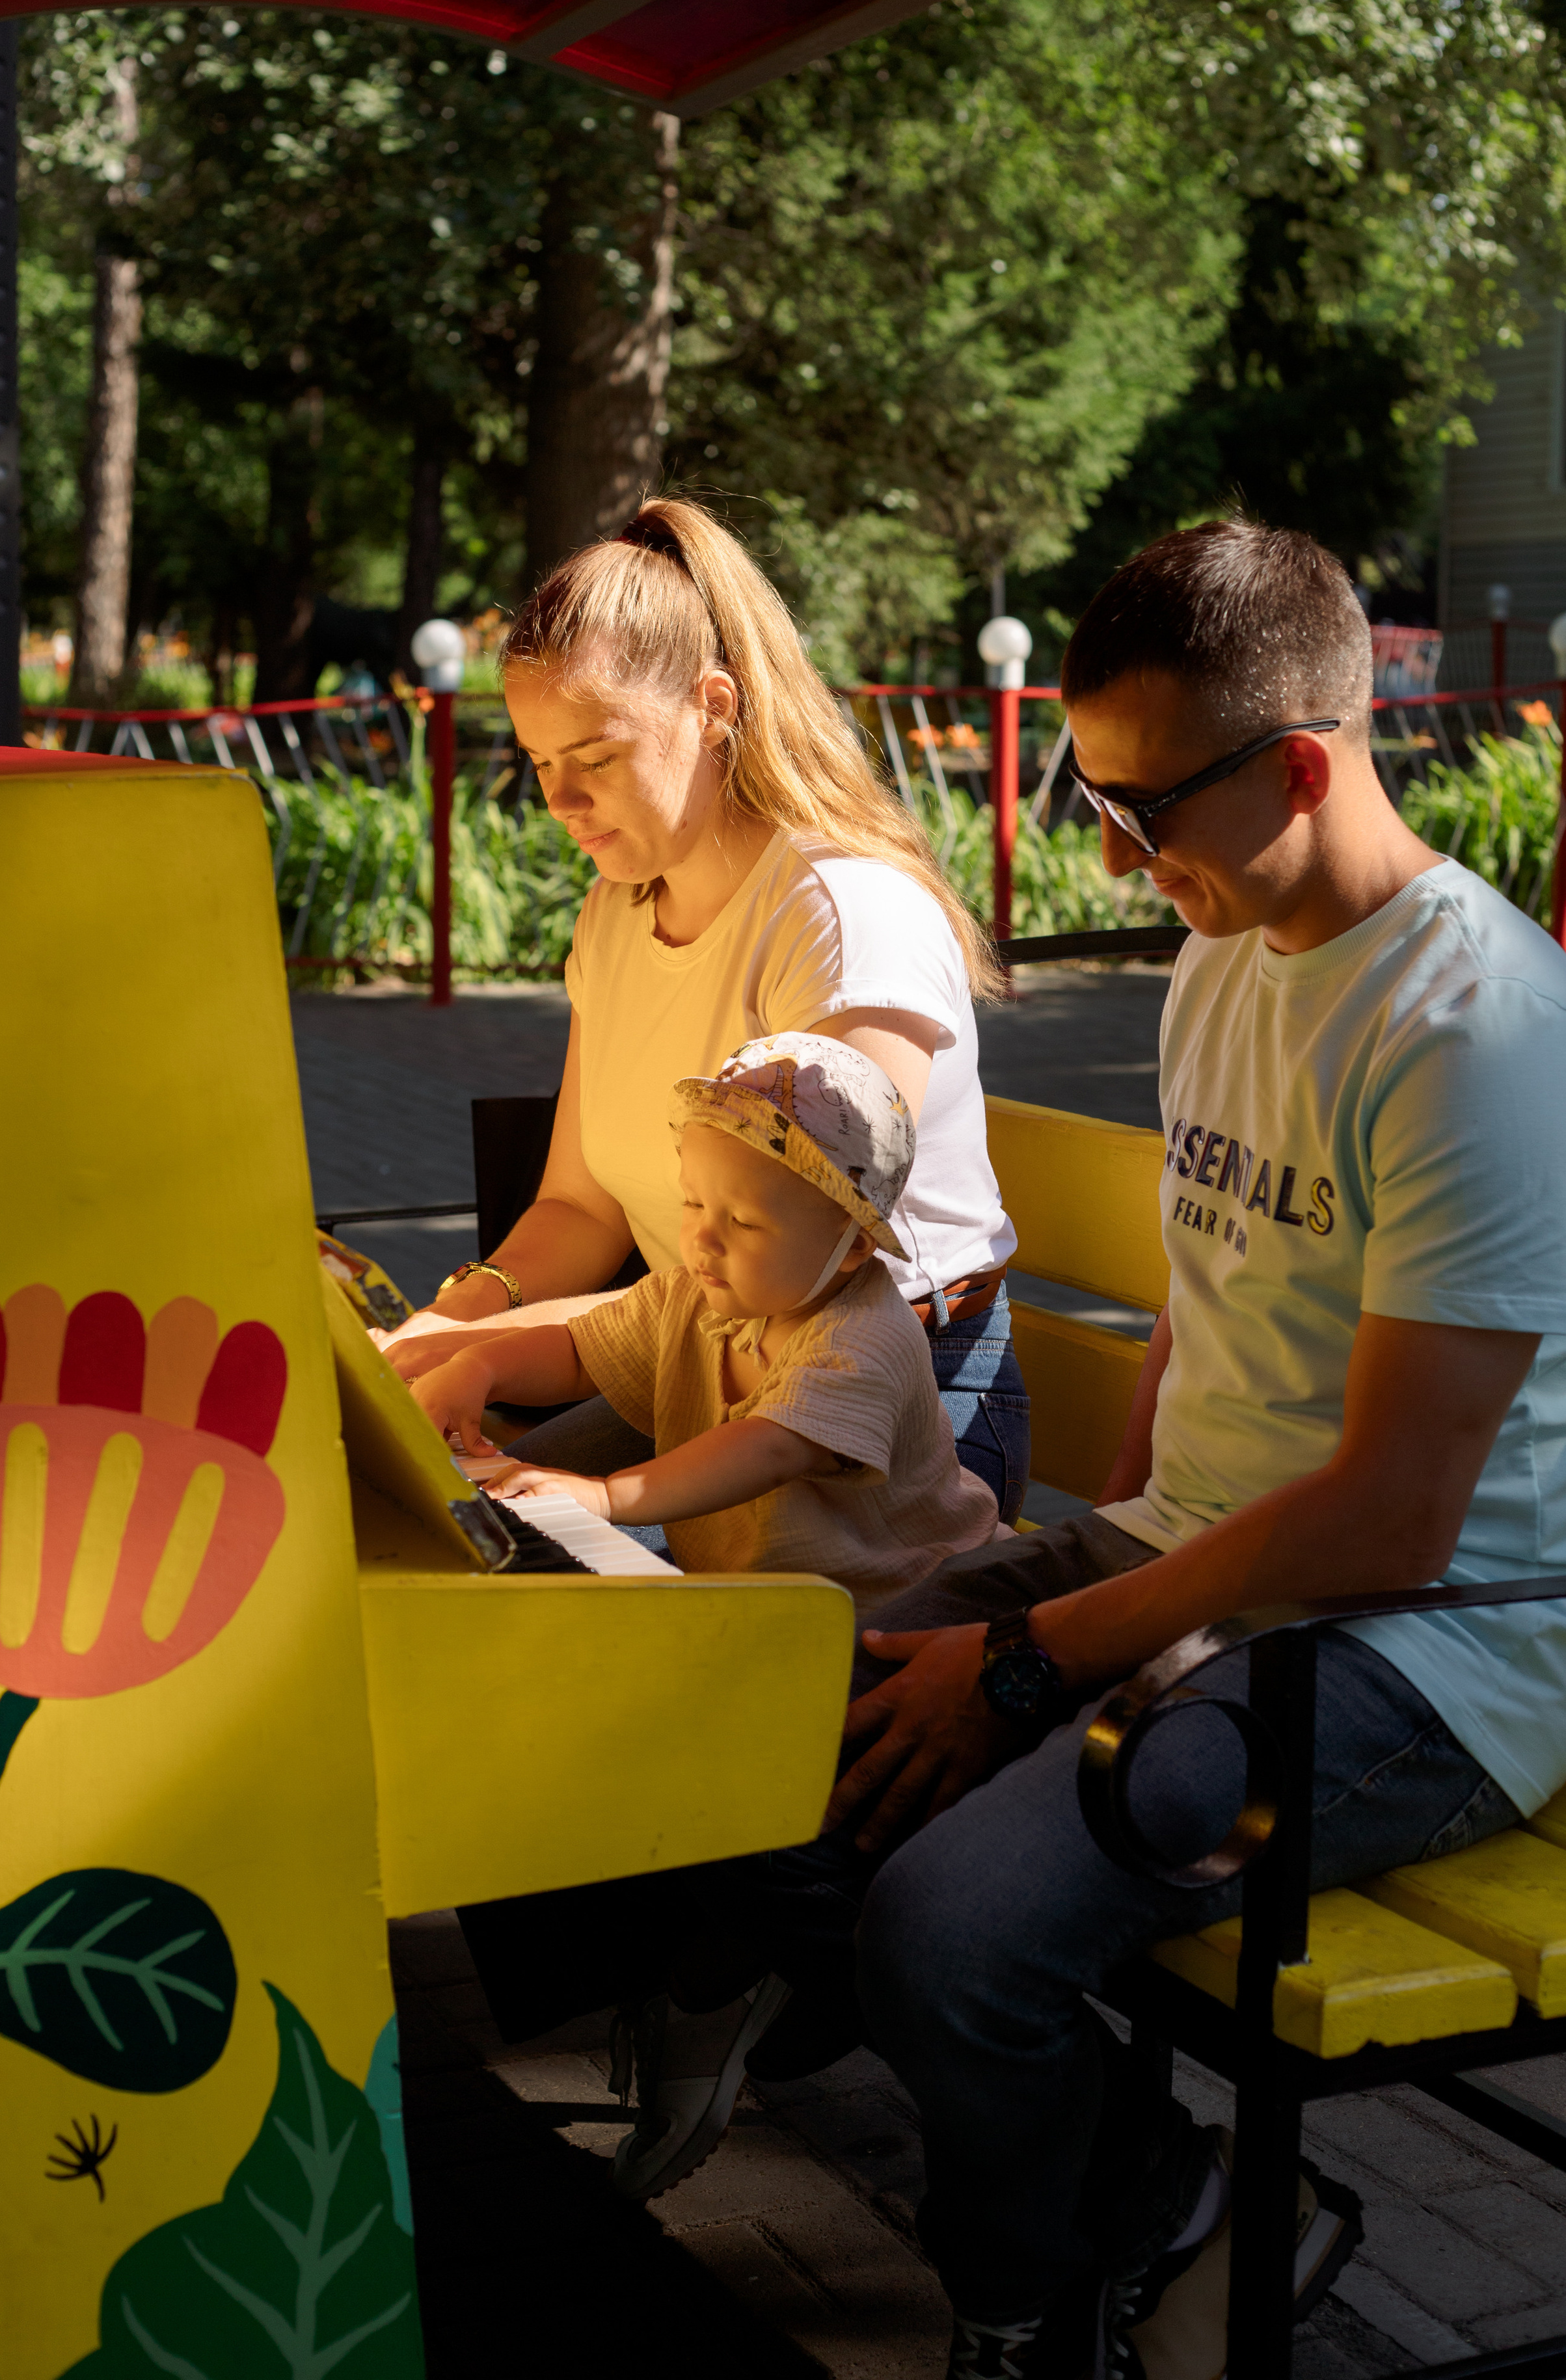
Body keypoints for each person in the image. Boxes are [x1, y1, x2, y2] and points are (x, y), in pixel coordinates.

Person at [457, 521, 1566, 2378]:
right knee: (766, 1775)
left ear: (1300, 766)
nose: (1109, 856)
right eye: (1091, 799)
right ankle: (1180, 2209)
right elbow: (1217, 1321)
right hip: (1211, 1561)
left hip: (1426, 1650)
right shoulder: (1232, 950)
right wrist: (1079, 1562)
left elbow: (1392, 1510)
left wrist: (1043, 1647)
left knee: (952, 1932)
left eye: (1142, 815)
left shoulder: (1480, 1027)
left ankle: (1025, 2291)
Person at [381, 497, 1029, 1518]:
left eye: (593, 758)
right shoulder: (615, 912)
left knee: (515, 1548)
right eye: (541, 764)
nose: (559, 802)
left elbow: (798, 1261)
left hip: (889, 1415)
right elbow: (579, 1209)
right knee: (443, 1504)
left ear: (713, 706)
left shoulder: (841, 915)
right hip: (702, 1358)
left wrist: (475, 1348)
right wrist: (447, 1322)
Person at [414, 1035, 999, 1612]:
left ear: (852, 1244)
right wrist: (480, 1366)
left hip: (907, 1606)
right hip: (774, 1597)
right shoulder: (697, 1296)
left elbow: (770, 1448)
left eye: (743, 1222)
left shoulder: (864, 1340)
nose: (702, 1238)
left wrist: (609, 1496)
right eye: (693, 1203)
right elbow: (578, 1352)